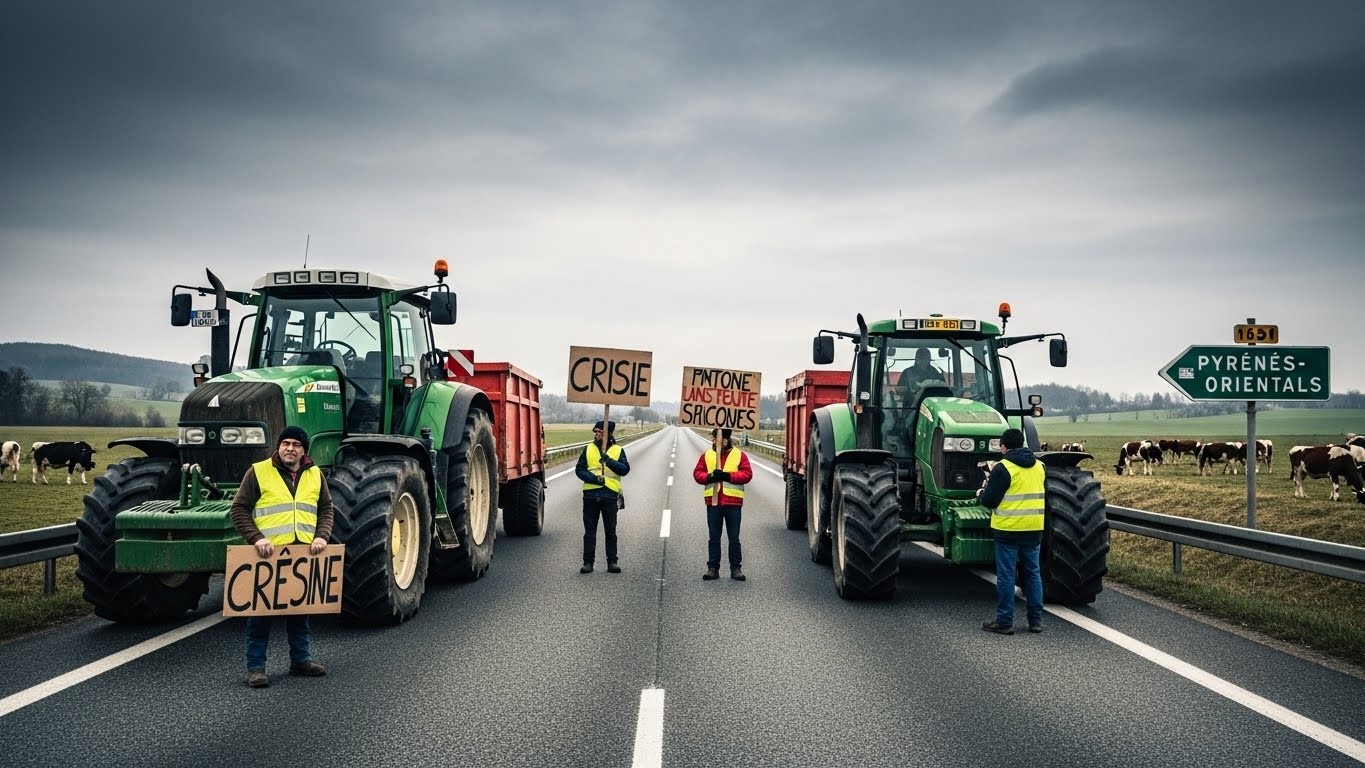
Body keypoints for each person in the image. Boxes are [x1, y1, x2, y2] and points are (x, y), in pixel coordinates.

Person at [229, 425, 334, 688]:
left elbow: (326, 508)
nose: (290, 448)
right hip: (267, 556)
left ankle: (301, 660)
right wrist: (257, 538)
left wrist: (321, 536)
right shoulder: (259, 471)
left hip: (303, 555)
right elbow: (239, 509)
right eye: (285, 443)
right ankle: (256, 668)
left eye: (296, 445)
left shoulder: (315, 474)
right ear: (278, 447)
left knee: (300, 613)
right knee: (260, 616)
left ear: (303, 450)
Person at [978, 428, 1045, 635]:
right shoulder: (1040, 466)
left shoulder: (1003, 467)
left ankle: (1005, 621)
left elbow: (990, 501)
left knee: (1006, 576)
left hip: (1007, 530)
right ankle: (1036, 621)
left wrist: (981, 493)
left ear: (1003, 446)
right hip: (1033, 529)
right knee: (1033, 574)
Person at [692, 428, 754, 581]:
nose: (714, 441)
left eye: (717, 439)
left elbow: (747, 474)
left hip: (733, 504)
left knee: (734, 538)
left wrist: (728, 476)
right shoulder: (707, 455)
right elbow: (697, 473)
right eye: (713, 438)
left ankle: (736, 569)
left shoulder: (739, 455)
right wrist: (709, 477)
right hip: (713, 503)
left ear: (726, 440)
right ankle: (712, 568)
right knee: (714, 537)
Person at [575, 419, 630, 574]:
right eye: (596, 432)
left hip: (610, 495)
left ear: (608, 434)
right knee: (590, 531)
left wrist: (609, 461)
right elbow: (579, 470)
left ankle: (612, 562)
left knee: (610, 531)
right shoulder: (588, 448)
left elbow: (624, 469)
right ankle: (588, 563)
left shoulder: (618, 450)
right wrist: (594, 479)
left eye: (600, 432)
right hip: (591, 495)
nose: (597, 434)